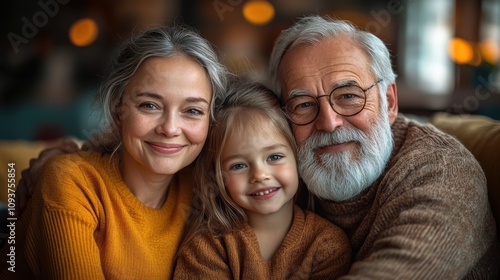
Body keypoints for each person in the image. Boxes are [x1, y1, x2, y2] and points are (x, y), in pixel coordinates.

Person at [268, 15, 499, 278]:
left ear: (388, 102)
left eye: (348, 96)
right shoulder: (279, 170)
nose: (329, 123)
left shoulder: (443, 171)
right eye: (304, 105)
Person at [0, 25, 227, 279]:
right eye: (150, 105)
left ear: (211, 119)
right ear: (117, 107)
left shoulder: (205, 187)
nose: (170, 128)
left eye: (193, 111)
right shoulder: (70, 183)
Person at [173, 79, 351, 279]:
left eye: (274, 157)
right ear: (217, 177)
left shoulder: (327, 244)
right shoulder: (208, 246)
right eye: (238, 165)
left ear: (298, 157)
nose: (259, 175)